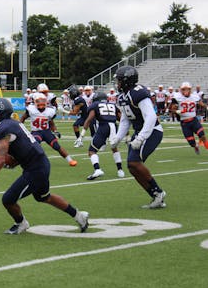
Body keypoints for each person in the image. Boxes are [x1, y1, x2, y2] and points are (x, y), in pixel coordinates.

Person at [0, 98, 89, 234]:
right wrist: (14, 161)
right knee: (44, 197)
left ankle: (21, 223)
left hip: (35, 168)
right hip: (40, 163)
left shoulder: (3, 129)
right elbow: (22, 148)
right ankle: (79, 216)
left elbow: (1, 158)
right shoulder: (12, 123)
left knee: (8, 199)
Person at [110, 66, 167, 208]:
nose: (117, 83)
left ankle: (159, 193)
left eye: (119, 80)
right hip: (140, 131)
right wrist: (117, 138)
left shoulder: (138, 93)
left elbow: (151, 117)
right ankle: (155, 195)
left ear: (127, 81)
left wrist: (141, 138)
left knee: (135, 162)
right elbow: (125, 120)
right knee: (131, 166)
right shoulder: (123, 97)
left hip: (152, 131)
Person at [74, 92, 125, 180]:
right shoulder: (112, 105)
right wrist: (126, 134)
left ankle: (97, 169)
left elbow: (89, 120)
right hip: (113, 126)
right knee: (114, 148)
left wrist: (81, 136)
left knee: (92, 151)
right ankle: (120, 170)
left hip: (103, 126)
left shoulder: (95, 105)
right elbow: (121, 119)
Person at [20, 93, 77, 167]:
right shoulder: (31, 109)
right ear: (35, 101)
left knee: (56, 146)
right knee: (35, 145)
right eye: (39, 101)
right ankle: (30, 161)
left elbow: (51, 122)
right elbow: (23, 118)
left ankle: (70, 160)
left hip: (46, 132)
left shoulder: (50, 111)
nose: (41, 103)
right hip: (36, 131)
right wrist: (20, 127)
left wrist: (55, 131)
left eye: (42, 100)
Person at [169, 82, 208, 154]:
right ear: (181, 90)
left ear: (190, 90)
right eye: (184, 89)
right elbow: (171, 109)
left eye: (187, 89)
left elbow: (201, 104)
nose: (185, 91)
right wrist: (178, 111)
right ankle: (195, 146)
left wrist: (206, 106)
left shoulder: (195, 97)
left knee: (202, 135)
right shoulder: (177, 97)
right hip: (184, 123)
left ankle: (207, 146)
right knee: (191, 142)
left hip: (194, 120)